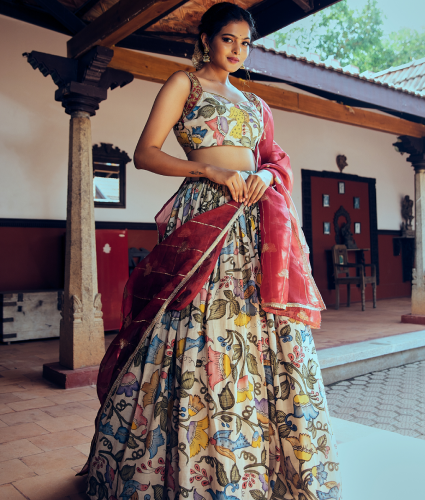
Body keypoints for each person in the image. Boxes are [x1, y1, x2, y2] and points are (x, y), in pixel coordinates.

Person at [82, 3, 342, 499]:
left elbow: (274, 159)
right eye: (228, 40)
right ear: (206, 38)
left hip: (255, 217)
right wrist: (212, 172)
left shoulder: (253, 102)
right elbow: (146, 154)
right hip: (205, 215)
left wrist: (264, 176)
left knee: (265, 328)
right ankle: (190, 459)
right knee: (199, 322)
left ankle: (263, 464)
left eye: (246, 43)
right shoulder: (185, 84)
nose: (238, 51)